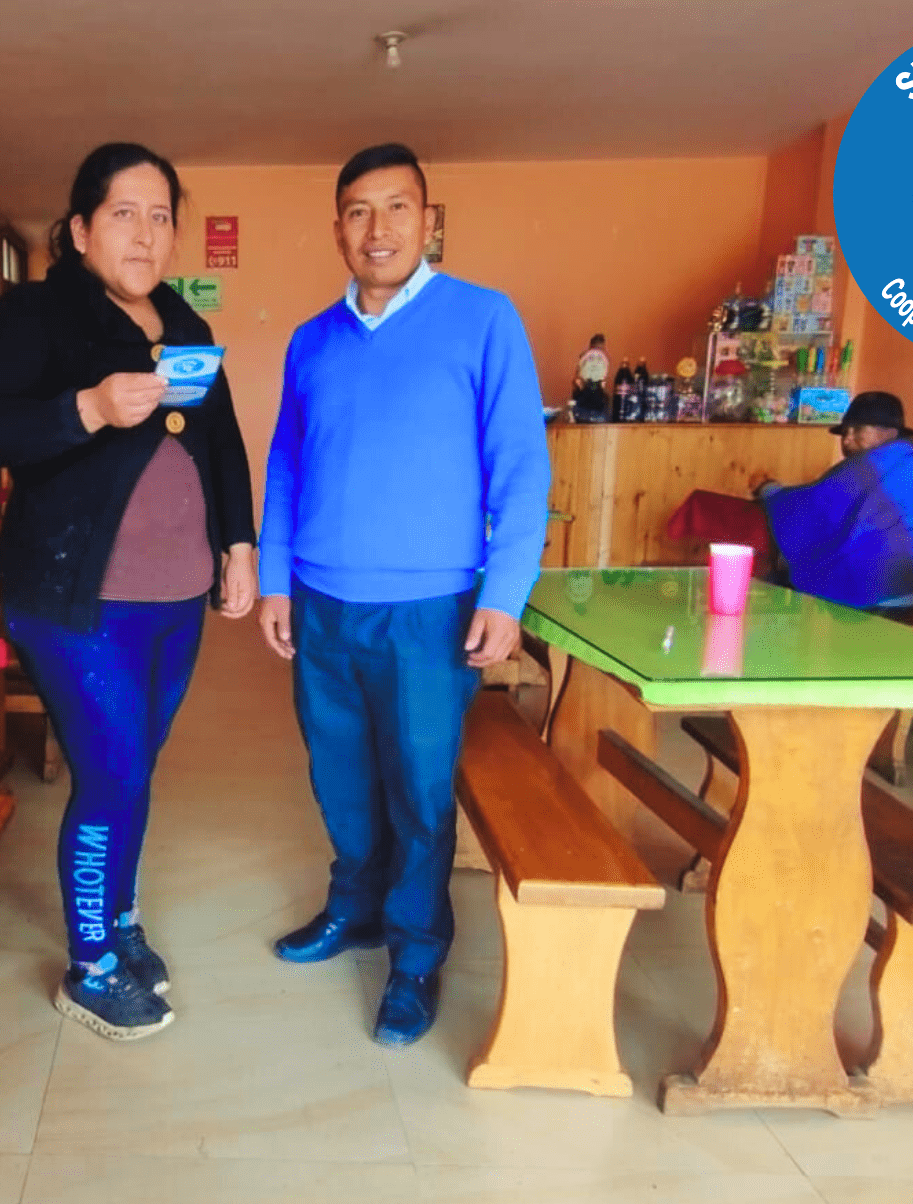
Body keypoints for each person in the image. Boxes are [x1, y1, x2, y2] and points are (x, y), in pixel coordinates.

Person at [0, 142, 257, 1041]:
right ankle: (90, 968)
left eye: (161, 216)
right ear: (82, 229)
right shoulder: (36, 313)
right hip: (75, 599)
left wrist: (239, 545)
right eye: (125, 213)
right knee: (112, 772)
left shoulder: (185, 321)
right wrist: (87, 407)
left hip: (177, 596)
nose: (145, 233)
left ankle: (119, 919)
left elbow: (223, 441)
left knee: (135, 767)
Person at [257, 143, 550, 1047]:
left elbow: (521, 465)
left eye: (396, 208)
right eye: (358, 210)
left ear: (428, 222)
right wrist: (274, 579)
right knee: (340, 777)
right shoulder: (312, 340)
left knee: (420, 791)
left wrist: (505, 594)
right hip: (321, 603)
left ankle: (417, 955)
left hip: (431, 610)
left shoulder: (483, 319)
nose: (376, 228)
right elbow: (287, 465)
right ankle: (357, 909)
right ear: (337, 228)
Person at [748, 391, 913, 616]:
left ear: (889, 432)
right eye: (845, 433)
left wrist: (768, 490)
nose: (847, 440)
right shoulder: (910, 462)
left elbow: (813, 507)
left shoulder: (873, 465)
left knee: (776, 575)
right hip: (911, 590)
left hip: (878, 595)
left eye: (857, 430)